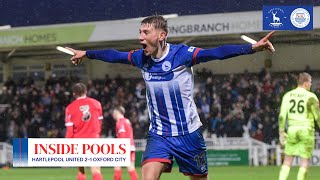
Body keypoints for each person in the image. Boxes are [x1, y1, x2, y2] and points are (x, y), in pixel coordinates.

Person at [66, 15, 275, 180]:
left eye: (146, 32)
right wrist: (87, 53)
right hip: (159, 134)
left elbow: (216, 52)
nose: (140, 37)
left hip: (189, 134)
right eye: (139, 32)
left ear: (161, 35)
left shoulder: (182, 55)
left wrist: (251, 48)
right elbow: (114, 55)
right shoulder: (141, 58)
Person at [278, 72, 320, 180]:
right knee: (305, 161)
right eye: (310, 82)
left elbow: (282, 116)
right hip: (306, 130)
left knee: (287, 160)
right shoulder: (311, 97)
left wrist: (281, 132)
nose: (311, 85)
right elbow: (318, 117)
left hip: (292, 129)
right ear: (305, 83)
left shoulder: (288, 95)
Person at [65, 82, 103, 180]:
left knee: (81, 169)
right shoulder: (96, 104)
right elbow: (100, 123)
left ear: (74, 94)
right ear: (86, 91)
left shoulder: (69, 108)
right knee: (96, 169)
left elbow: (70, 131)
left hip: (79, 141)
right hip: (94, 139)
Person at [112, 106, 139, 180]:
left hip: (124, 147)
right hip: (131, 146)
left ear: (117, 112)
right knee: (131, 168)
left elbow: (122, 136)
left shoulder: (120, 122)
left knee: (117, 166)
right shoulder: (127, 121)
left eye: (114, 113)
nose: (113, 115)